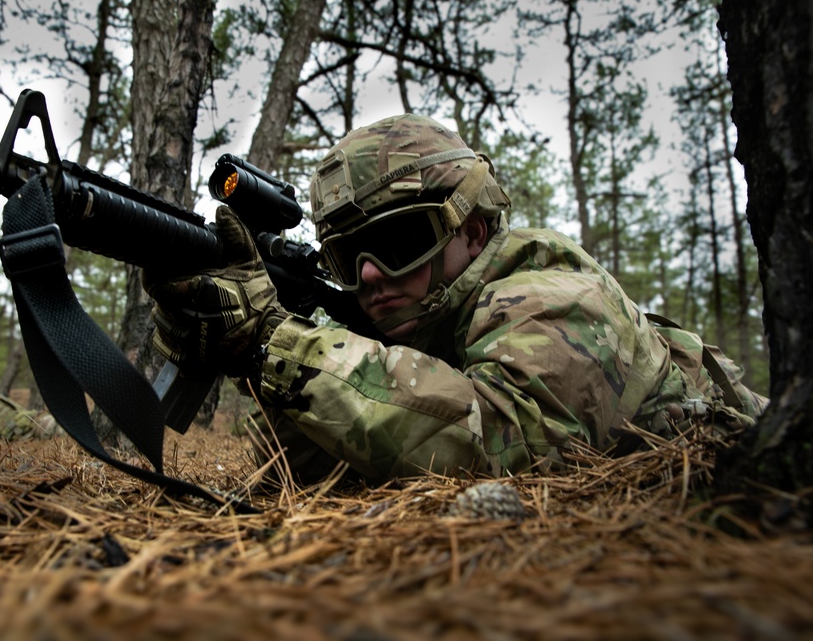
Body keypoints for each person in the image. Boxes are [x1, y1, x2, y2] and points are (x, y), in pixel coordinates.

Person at [148, 115, 767, 484]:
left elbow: (502, 440)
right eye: (346, 257)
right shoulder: (421, 327)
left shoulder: (551, 292)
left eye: (397, 241)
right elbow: (299, 469)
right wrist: (248, 354)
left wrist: (278, 343)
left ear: (471, 231)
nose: (368, 276)